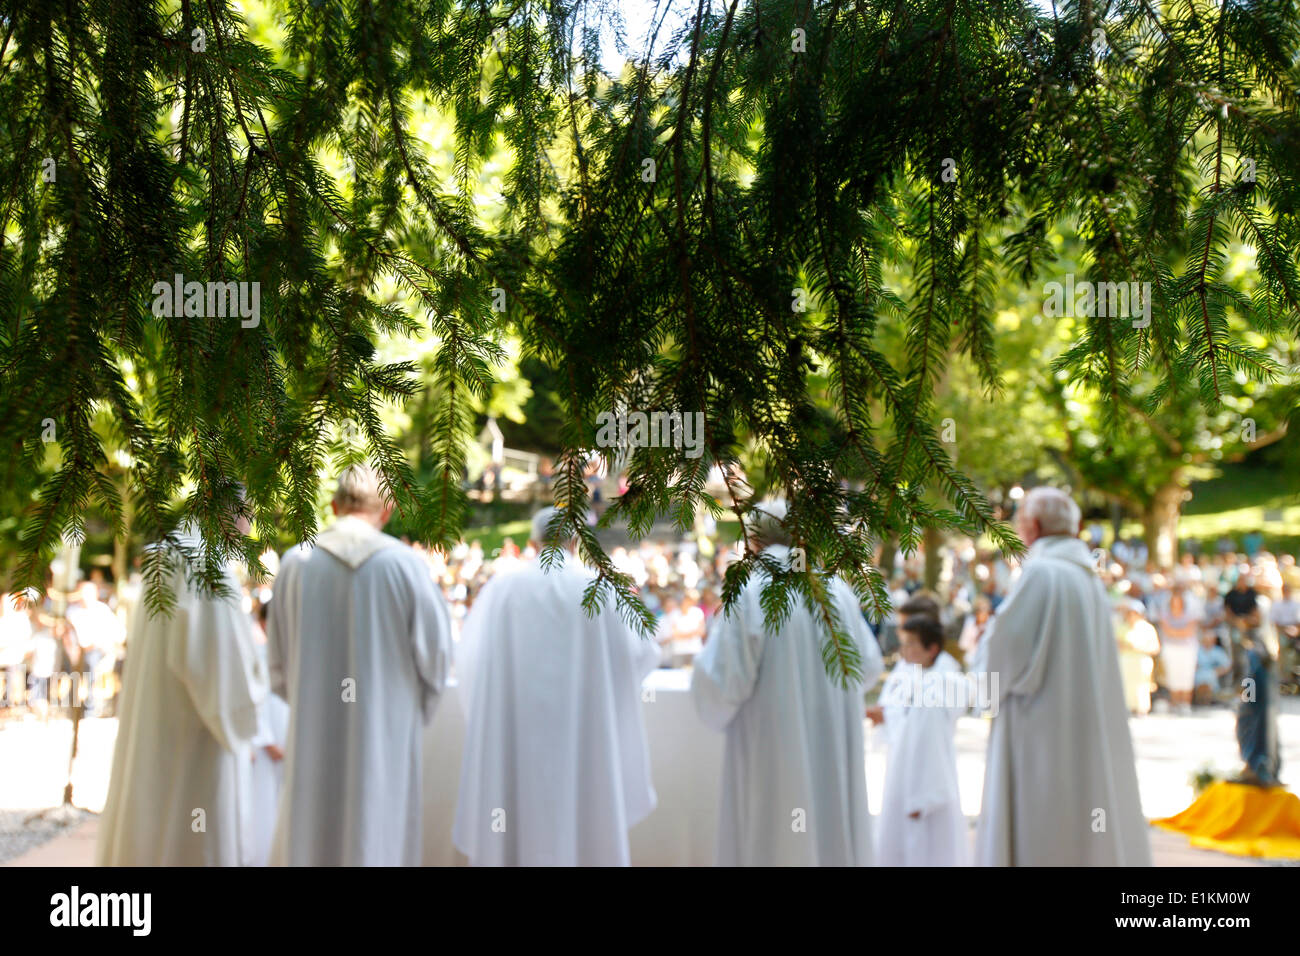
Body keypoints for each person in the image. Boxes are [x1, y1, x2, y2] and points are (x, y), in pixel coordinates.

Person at [453, 506, 658, 866]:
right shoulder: (600, 589)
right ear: (577, 541)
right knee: (586, 825)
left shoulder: (503, 588)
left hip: (514, 738)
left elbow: (467, 662)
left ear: (532, 542)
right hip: (584, 737)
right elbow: (641, 654)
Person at [268, 465, 452, 866]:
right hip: (384, 733)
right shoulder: (406, 565)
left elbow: (277, 666)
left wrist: (307, 700)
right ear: (386, 510)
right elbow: (437, 661)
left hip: (312, 731)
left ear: (333, 506)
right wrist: (408, 711)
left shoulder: (297, 562)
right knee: (379, 832)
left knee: (312, 833)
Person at [692, 500, 884, 865]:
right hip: (831, 744)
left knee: (773, 839)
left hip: (772, 754)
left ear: (753, 542)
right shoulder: (834, 590)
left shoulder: (750, 590)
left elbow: (720, 685)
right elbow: (869, 667)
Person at [972, 487, 1151, 866]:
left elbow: (1002, 653)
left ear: (1033, 527)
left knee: (1041, 828)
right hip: (1083, 728)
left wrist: (980, 686)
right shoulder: (1087, 579)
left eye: (1018, 523)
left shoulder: (1040, 573)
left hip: (1038, 731)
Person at [97, 517, 267, 866]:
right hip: (196, 741)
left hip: (163, 724)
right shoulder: (205, 568)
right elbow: (222, 675)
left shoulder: (167, 554)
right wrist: (257, 695)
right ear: (237, 515)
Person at [868, 615, 969, 866]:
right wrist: (886, 715)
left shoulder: (939, 687)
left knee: (926, 849)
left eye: (911, 643)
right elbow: (901, 712)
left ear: (932, 648)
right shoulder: (915, 674)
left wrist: (922, 797)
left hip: (922, 786)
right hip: (904, 774)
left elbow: (930, 741)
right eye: (903, 642)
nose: (904, 650)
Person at [1116, 600, 1161, 716]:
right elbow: (1117, 644)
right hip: (1125, 661)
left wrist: (1137, 648)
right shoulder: (1121, 627)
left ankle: (1141, 709)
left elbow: (1155, 648)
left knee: (1142, 686)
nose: (1132, 616)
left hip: (1142, 662)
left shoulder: (1148, 628)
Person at [1159, 589, 1199, 713]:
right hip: (1171, 648)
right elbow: (1166, 630)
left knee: (1186, 675)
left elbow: (1189, 631)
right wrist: (1179, 633)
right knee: (1173, 675)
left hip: (1187, 649)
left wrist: (1175, 633)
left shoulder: (1190, 615)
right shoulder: (1165, 615)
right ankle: (1175, 703)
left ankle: (1185, 703)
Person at [1193, 631, 1232, 706]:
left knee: (1210, 676)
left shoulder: (1218, 651)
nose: (1207, 642)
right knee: (1201, 677)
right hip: (1199, 673)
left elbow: (1227, 666)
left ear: (1213, 641)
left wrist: (1218, 671)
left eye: (1209, 640)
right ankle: (1200, 699)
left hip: (1212, 673)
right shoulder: (1196, 650)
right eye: (1206, 640)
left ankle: (1207, 700)